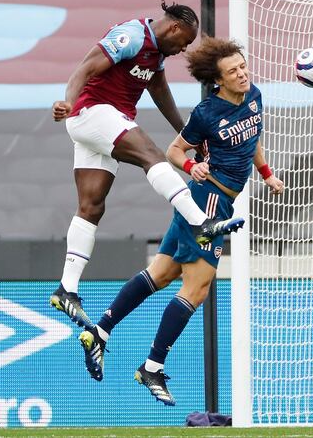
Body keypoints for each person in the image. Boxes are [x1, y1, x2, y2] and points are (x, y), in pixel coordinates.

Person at [78, 37, 285, 406]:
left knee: (162, 274)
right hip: (206, 203)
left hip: (221, 202)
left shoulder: (253, 94)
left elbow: (253, 137)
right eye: (233, 70)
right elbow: (174, 151)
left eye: (242, 66)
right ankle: (152, 366)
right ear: (217, 80)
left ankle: (101, 330)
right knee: (198, 288)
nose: (242, 73)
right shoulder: (207, 113)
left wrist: (266, 174)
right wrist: (193, 166)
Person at [49, 2, 245, 332]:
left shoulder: (156, 55)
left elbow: (159, 91)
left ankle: (66, 288)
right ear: (174, 28)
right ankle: (200, 223)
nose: (184, 48)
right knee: (152, 156)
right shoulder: (131, 36)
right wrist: (68, 101)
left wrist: (188, 134)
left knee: (92, 206)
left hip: (98, 123)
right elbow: (84, 68)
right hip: (94, 113)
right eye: (185, 41)